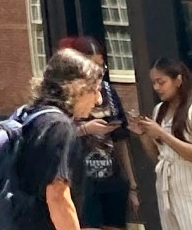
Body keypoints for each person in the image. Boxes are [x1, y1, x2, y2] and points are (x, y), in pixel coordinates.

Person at [12, 46, 105, 230]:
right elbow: (57, 195)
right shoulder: (59, 126)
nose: (99, 100)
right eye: (95, 90)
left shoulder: (29, 115)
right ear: (77, 88)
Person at [57, 39, 137, 230]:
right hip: (81, 178)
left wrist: (132, 183)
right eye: (91, 65)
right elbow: (56, 137)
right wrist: (86, 129)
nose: (97, 71)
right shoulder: (63, 95)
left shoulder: (108, 90)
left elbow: (120, 139)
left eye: (101, 65)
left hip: (111, 175)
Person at [135, 58, 192, 230]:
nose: (156, 88)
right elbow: (159, 156)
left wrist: (162, 134)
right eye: (153, 83)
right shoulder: (159, 110)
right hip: (168, 192)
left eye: (161, 82)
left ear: (178, 80)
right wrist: (144, 134)